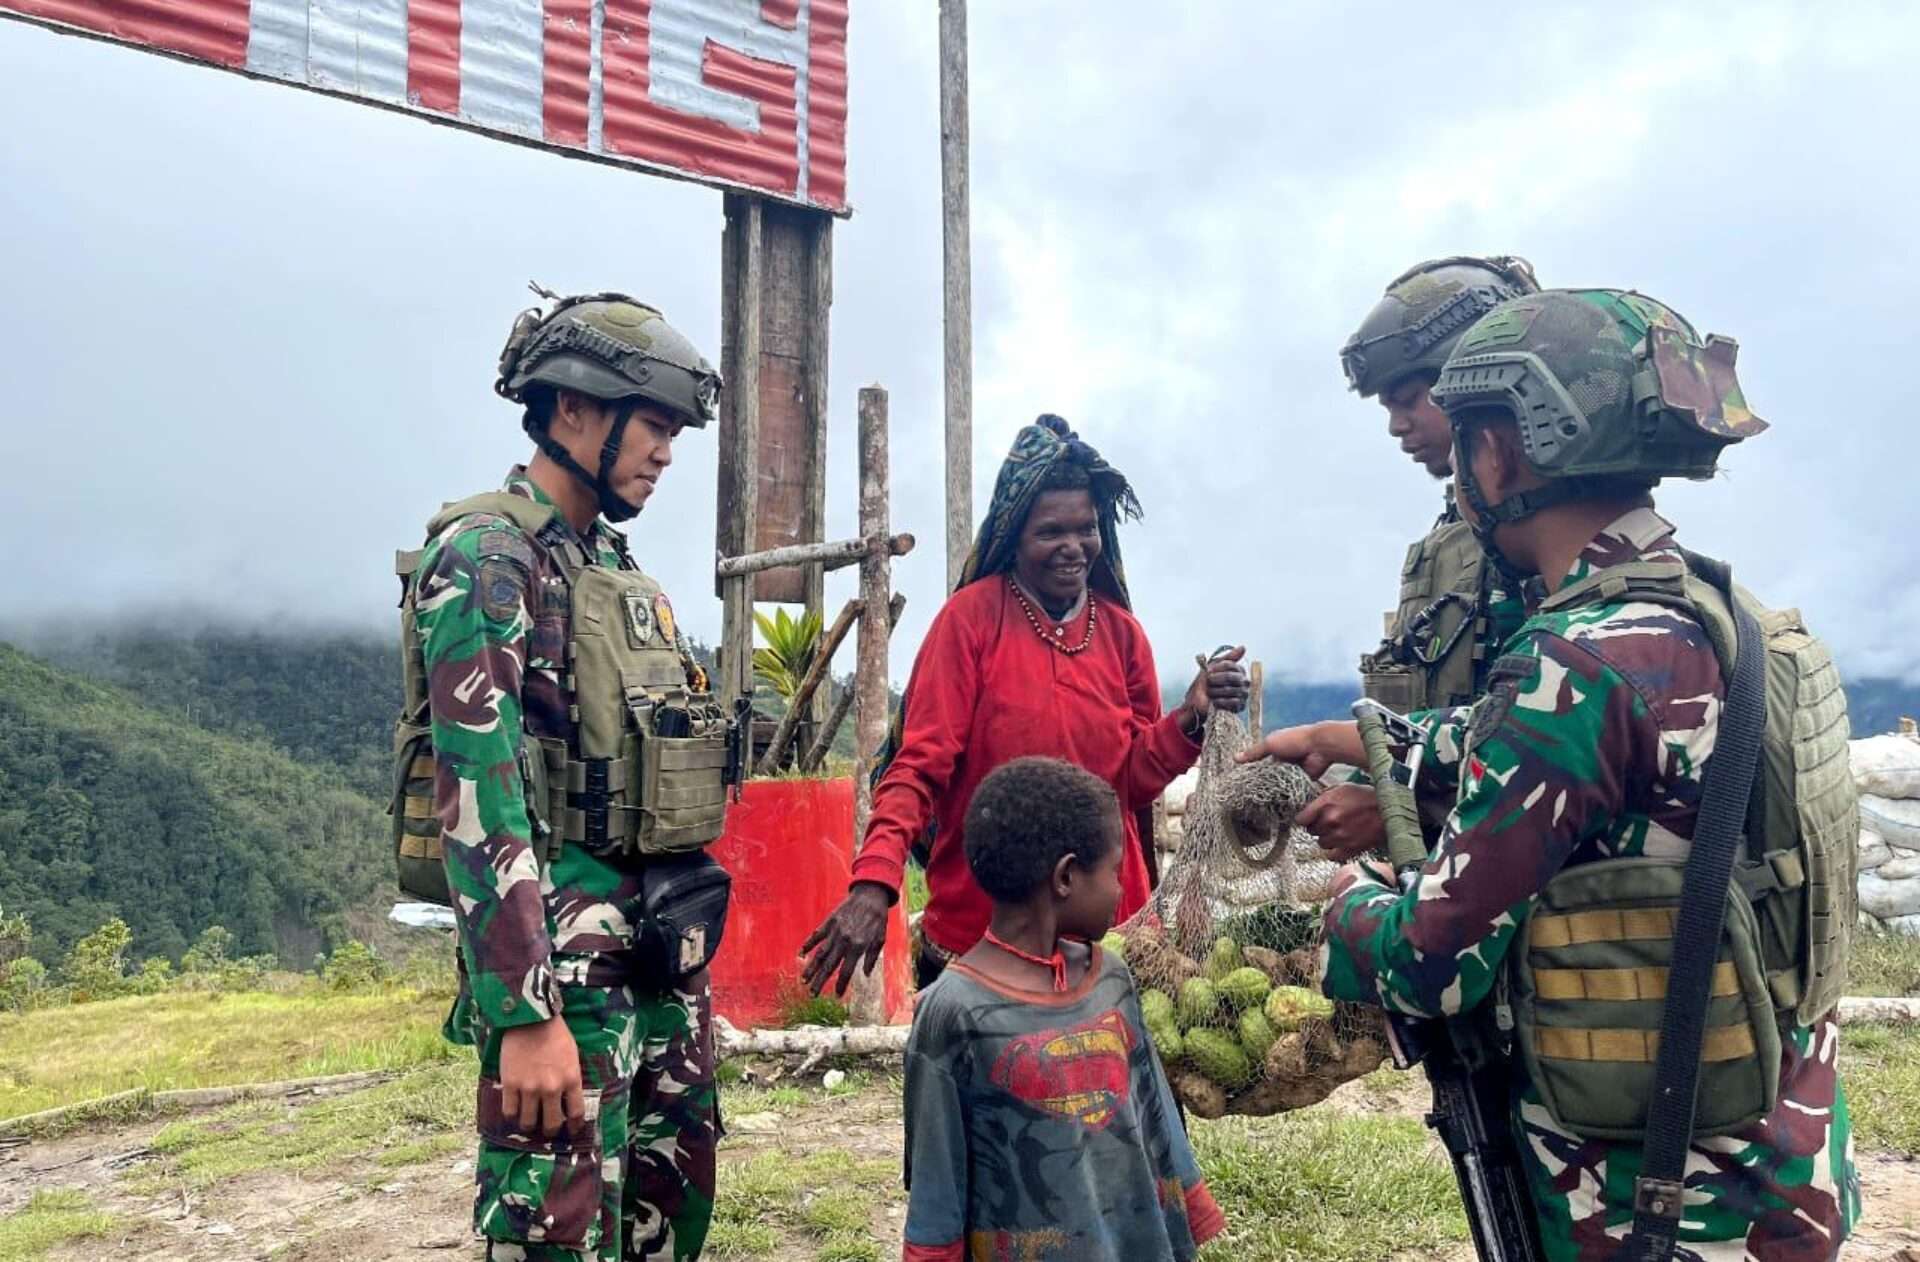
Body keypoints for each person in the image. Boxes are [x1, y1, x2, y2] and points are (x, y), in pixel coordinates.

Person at [1244, 289, 1860, 1259]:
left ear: (1499, 452)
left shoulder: (1574, 661)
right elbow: (1563, 751)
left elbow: (1428, 961)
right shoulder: (1721, 612)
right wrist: (1375, 738)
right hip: (1779, 1158)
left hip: (1650, 1202)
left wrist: (1329, 911)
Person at [400, 290, 732, 1262]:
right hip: (562, 980)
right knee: (555, 1230)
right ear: (574, 408)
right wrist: (522, 1010)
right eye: (654, 424)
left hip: (653, 956)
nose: (666, 450)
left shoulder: (606, 561)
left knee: (669, 1212)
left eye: (674, 430)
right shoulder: (487, 560)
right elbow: (480, 788)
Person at [801, 415, 1249, 996]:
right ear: (1014, 536)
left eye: (1086, 529)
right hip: (983, 938)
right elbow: (919, 767)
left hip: (1108, 939)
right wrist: (875, 882)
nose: (1073, 548)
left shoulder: (1121, 635)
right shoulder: (968, 623)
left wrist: (1190, 716)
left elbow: (1130, 782)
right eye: (1050, 532)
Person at [900, 757, 1227, 1262]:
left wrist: (1189, 1199)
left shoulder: (1112, 979)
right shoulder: (953, 1014)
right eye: (1113, 872)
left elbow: (1154, 1110)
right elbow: (935, 1175)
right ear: (1066, 878)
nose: (1121, 890)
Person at [1306, 256, 1541, 860]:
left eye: (1410, 399)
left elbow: (1543, 755)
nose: (1396, 426)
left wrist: (1397, 815)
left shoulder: (1541, 548)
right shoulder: (1457, 539)